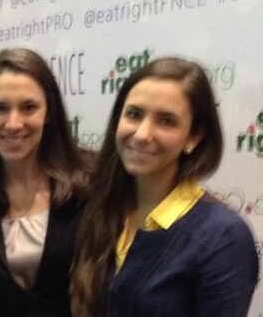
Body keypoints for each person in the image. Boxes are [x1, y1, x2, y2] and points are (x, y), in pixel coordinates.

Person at [70, 57, 259, 317]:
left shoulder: (222, 238)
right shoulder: (103, 208)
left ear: (194, 137)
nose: (142, 134)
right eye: (134, 114)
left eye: (166, 121)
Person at [0, 47, 94, 317]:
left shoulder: (88, 183)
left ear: (49, 112)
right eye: (0, 108)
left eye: (28, 107)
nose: (14, 123)